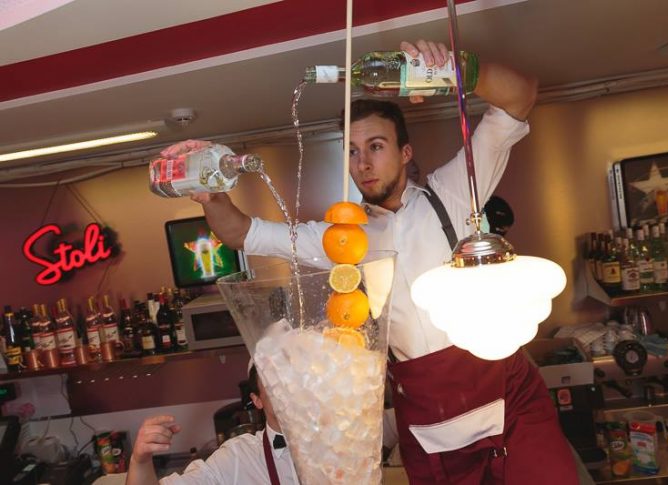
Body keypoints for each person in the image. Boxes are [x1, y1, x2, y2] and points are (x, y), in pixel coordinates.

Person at [175, 39, 578, 484]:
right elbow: (240, 233)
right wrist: (210, 196)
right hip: (427, 422)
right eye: (352, 151)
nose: (363, 163)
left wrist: (453, 68)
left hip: (508, 397)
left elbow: (520, 96)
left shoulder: (454, 192)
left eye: (376, 146)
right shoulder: (339, 238)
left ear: (405, 152)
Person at [126, 363, 300, 484]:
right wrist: (140, 462)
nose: (288, 391)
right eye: (275, 384)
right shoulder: (238, 457)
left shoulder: (321, 447)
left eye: (296, 381)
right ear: (257, 400)